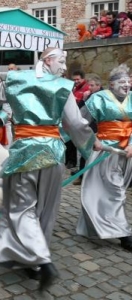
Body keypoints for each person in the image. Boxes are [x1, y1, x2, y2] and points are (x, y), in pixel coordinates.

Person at [0, 47, 101, 291]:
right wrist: (91, 142)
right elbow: (76, 123)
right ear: (47, 60)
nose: (64, 67)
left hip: (25, 154)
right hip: (53, 155)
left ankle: (39, 259)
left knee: (21, 208)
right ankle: (35, 262)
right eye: (61, 61)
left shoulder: (17, 79)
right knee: (45, 209)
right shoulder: (63, 87)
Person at [76, 64, 132, 251]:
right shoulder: (98, 98)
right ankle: (124, 234)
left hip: (127, 153)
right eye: (122, 82)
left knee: (114, 191)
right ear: (112, 84)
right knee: (116, 192)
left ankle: (96, 222)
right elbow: (80, 122)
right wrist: (93, 140)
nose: (126, 85)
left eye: (128, 82)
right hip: (106, 152)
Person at [72, 75, 103, 185]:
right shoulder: (89, 95)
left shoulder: (102, 96)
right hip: (87, 126)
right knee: (84, 152)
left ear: (99, 86)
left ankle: (93, 178)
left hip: (97, 128)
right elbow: (81, 110)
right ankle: (82, 176)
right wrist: (84, 99)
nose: (89, 87)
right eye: (89, 85)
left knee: (95, 153)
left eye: (92, 85)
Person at [65, 70, 90, 169]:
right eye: (74, 79)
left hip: (81, 117)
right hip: (73, 116)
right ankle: (70, 160)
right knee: (69, 140)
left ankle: (75, 162)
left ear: (83, 79)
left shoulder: (86, 88)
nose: (76, 81)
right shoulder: (75, 88)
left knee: (76, 142)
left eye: (78, 79)